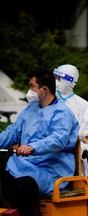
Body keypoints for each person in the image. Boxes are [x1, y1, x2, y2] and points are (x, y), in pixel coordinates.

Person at [0, 68, 79, 216]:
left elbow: (58, 139)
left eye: (32, 86)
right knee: (4, 180)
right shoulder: (30, 109)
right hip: (24, 165)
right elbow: (14, 131)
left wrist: (32, 147)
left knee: (23, 186)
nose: (29, 90)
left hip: (50, 169)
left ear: (44, 89)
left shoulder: (62, 112)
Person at [53, 64, 88, 176]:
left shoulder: (82, 104)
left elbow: (87, 132)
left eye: (59, 78)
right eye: (55, 77)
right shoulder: (49, 98)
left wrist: (75, 150)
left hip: (74, 148)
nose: (56, 81)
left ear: (70, 81)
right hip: (51, 147)